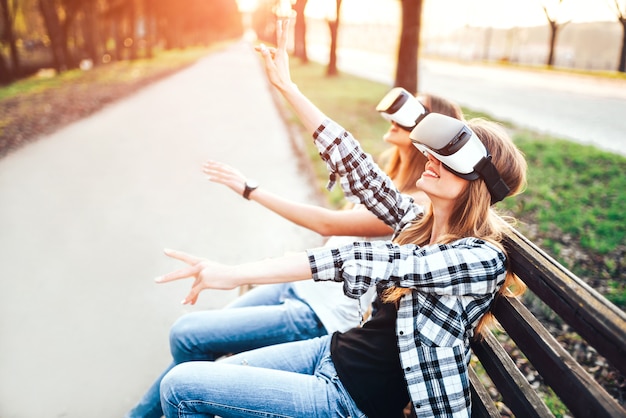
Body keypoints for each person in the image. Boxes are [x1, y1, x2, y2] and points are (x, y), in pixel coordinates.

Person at [154, 19, 528, 418]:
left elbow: (362, 261)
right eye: (433, 151)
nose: (430, 159)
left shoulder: (480, 259)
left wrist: (234, 273)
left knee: (182, 387)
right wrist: (289, 89)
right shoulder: (417, 223)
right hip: (332, 352)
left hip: (349, 401)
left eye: (447, 157)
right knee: (209, 378)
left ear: (479, 180)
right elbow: (358, 169)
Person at [125, 83, 462, 418]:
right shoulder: (398, 188)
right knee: (190, 342)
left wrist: (249, 193)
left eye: (417, 114)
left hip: (317, 317)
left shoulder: (420, 209)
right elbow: (353, 163)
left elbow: (330, 229)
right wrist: (286, 85)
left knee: (190, 342)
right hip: (305, 294)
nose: (399, 116)